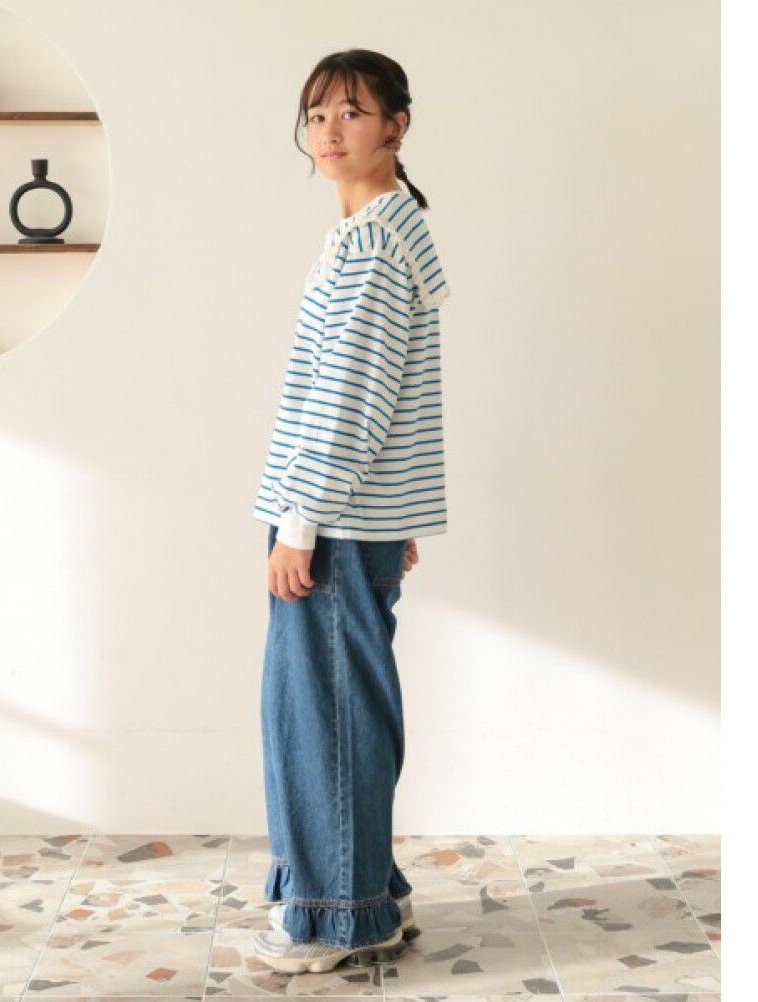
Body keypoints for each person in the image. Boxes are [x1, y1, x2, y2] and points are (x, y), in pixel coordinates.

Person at [251, 48, 452, 974]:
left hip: (328, 523)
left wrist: (302, 524)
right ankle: (373, 893)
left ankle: (340, 916)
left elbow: (351, 402)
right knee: (349, 714)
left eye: (352, 112)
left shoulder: (372, 245)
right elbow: (392, 392)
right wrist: (391, 510)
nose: (329, 132)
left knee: (323, 722)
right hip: (355, 514)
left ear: (396, 126)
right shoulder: (382, 230)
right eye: (317, 115)